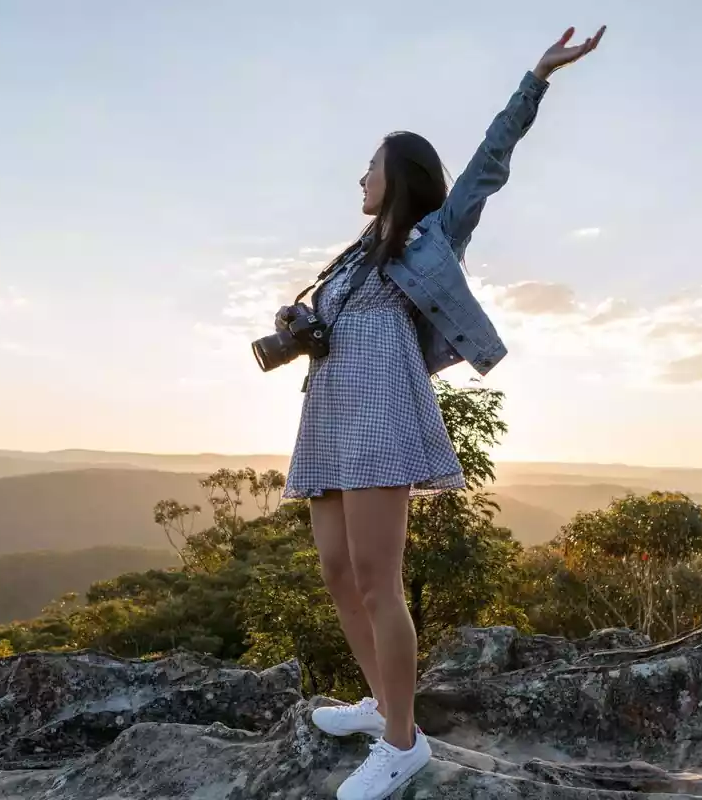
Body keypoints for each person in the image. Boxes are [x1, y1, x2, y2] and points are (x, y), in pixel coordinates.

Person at [278, 24, 606, 800]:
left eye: (369, 168)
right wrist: (298, 328)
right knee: (335, 573)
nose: (358, 179)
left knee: (376, 579)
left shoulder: (432, 238)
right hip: (328, 412)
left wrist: (536, 79)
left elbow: (490, 164)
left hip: (383, 416)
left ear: (400, 175)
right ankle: (382, 703)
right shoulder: (356, 256)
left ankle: (401, 746)